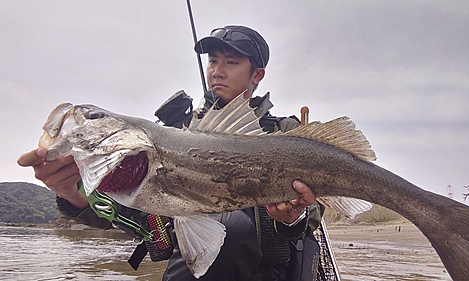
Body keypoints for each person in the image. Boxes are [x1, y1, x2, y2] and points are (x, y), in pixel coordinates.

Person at [18, 25, 325, 281]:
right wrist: (71, 192)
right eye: (212, 61)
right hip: (195, 268)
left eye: (231, 62)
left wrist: (292, 217)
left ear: (257, 74)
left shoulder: (286, 132)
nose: (217, 71)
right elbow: (132, 214)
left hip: (269, 269)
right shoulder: (169, 132)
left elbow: (315, 211)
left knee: (236, 226)